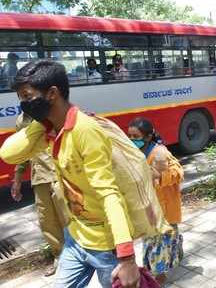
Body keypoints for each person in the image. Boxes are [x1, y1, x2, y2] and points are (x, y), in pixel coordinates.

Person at [0, 60, 140, 288]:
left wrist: (127, 258)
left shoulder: (85, 131)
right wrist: (42, 123)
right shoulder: (52, 131)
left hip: (105, 246)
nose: (24, 105)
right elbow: (8, 154)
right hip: (75, 238)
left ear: (52, 93)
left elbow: (109, 194)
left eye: (27, 97)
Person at [128, 118, 184, 286]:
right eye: (129, 135)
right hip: (148, 209)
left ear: (147, 137)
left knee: (159, 244)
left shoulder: (160, 152)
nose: (131, 139)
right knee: (152, 242)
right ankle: (158, 268)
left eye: (135, 136)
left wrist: (160, 176)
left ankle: (159, 277)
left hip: (164, 210)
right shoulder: (135, 152)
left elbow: (179, 172)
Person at [12, 112, 65, 277]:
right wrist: (17, 180)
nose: (24, 99)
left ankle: (84, 253)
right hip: (40, 177)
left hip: (60, 174)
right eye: (21, 95)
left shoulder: (51, 110)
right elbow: (23, 152)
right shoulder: (21, 120)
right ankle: (61, 257)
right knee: (47, 221)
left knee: (70, 218)